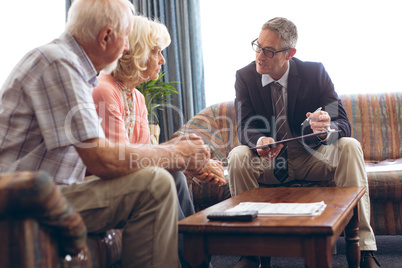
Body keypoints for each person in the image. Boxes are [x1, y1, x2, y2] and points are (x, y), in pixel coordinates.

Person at [0, 1, 211, 267]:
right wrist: (174, 153)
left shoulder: (72, 67)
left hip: (54, 191)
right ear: (106, 37)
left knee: (160, 177)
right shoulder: (59, 62)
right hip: (27, 199)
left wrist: (175, 154)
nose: (126, 48)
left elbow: (112, 153)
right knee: (154, 185)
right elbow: (102, 159)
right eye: (125, 38)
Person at [228, 17, 380, 268]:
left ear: (290, 53)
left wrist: (325, 130)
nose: (260, 55)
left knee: (350, 146)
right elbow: (244, 125)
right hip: (270, 159)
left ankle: (364, 249)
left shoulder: (314, 73)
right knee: (237, 155)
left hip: (311, 157)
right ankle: (250, 251)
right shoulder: (245, 77)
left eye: (269, 50)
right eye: (257, 46)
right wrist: (260, 140)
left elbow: (342, 122)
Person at [92, 15, 225, 266]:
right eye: (156, 52)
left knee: (173, 174)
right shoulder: (104, 89)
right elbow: (123, 161)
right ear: (137, 52)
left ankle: (195, 260)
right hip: (106, 187)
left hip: (130, 181)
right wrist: (185, 159)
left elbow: (148, 154)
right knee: (167, 175)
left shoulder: (136, 97)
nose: (163, 60)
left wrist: (191, 164)